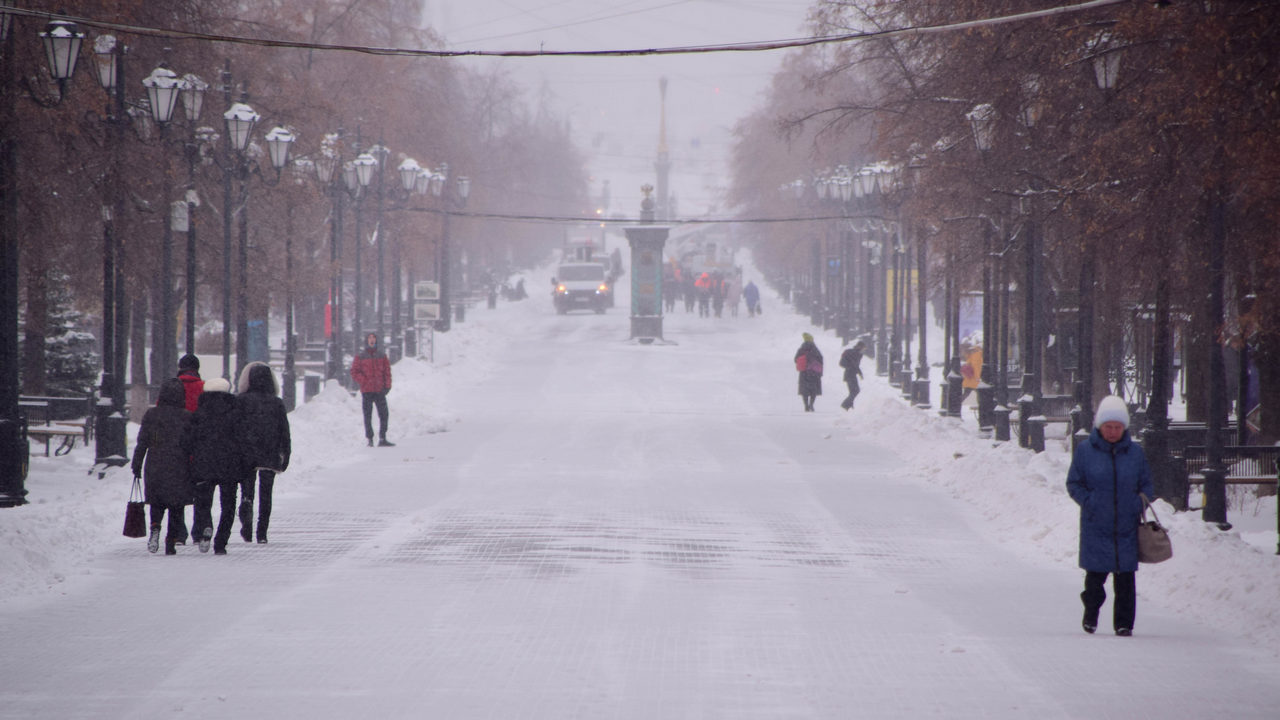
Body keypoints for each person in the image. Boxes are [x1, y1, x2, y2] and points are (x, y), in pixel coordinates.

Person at [1066, 395, 1154, 637]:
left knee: (1125, 579)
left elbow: (1147, 484)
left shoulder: (1135, 453)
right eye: (1108, 427)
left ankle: (1124, 623)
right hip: (1096, 524)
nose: (1113, 431)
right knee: (1095, 579)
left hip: (1127, 524)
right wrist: (1090, 502)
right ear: (1099, 427)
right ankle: (1091, 614)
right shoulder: (1085, 451)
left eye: (1117, 427)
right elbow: (1074, 483)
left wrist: (1138, 504)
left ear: (1124, 428)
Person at [130, 379, 194, 555]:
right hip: (179, 464)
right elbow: (191, 444)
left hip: (155, 463)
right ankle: (171, 541)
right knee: (176, 506)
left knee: (157, 503)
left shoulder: (152, 415)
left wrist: (137, 464)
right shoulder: (186, 416)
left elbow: (142, 441)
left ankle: (155, 527)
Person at [183, 377, 243, 555]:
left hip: (203, 466)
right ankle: (221, 542)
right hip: (229, 467)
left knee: (202, 503)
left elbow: (187, 441)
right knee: (228, 506)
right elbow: (243, 441)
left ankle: (205, 527)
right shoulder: (235, 414)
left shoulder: (198, 415)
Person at [235, 362, 291, 544]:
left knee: (247, 489)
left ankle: (247, 517)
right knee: (266, 494)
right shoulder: (277, 403)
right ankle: (262, 532)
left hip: (246, 453)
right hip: (269, 453)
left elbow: (234, 428)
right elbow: (284, 431)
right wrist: (286, 454)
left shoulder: (241, 401)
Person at [351, 332, 394, 447]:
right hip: (367, 391)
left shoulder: (382, 355)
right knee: (368, 415)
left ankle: (382, 437)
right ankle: (370, 438)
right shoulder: (360, 356)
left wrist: (387, 385)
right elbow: (354, 372)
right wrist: (364, 380)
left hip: (380, 390)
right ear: (366, 341)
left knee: (384, 414)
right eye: (370, 338)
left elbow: (387, 372)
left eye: (373, 338)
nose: (372, 340)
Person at [794, 332, 824, 412]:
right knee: (813, 390)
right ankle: (811, 404)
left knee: (805, 390)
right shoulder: (815, 349)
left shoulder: (801, 349)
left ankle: (806, 405)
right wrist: (820, 373)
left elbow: (795, 359)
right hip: (814, 372)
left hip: (804, 372)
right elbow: (820, 360)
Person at [838, 340, 865, 411]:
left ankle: (849, 406)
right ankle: (845, 405)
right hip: (850, 374)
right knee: (855, 391)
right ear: (860, 347)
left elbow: (855, 365)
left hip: (850, 374)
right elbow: (854, 365)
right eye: (863, 348)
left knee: (853, 391)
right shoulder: (855, 353)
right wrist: (852, 368)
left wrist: (860, 373)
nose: (863, 350)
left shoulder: (855, 353)